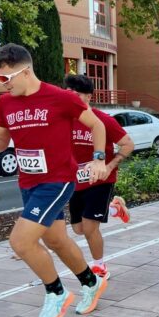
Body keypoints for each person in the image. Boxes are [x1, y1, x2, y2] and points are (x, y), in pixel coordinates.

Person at [0, 44, 109, 317]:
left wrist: (99, 159)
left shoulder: (61, 98)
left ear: (26, 71)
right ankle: (90, 282)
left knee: (20, 241)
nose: (1, 86)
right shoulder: (6, 103)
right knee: (55, 240)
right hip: (28, 181)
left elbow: (98, 126)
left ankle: (56, 292)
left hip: (56, 181)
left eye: (5, 79)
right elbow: (0, 141)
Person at [64, 74, 133, 281]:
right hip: (76, 181)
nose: (73, 99)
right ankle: (114, 207)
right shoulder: (63, 120)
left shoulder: (103, 120)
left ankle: (100, 266)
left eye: (78, 95)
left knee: (89, 227)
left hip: (101, 181)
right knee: (77, 229)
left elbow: (128, 144)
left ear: (89, 97)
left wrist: (109, 166)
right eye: (69, 94)